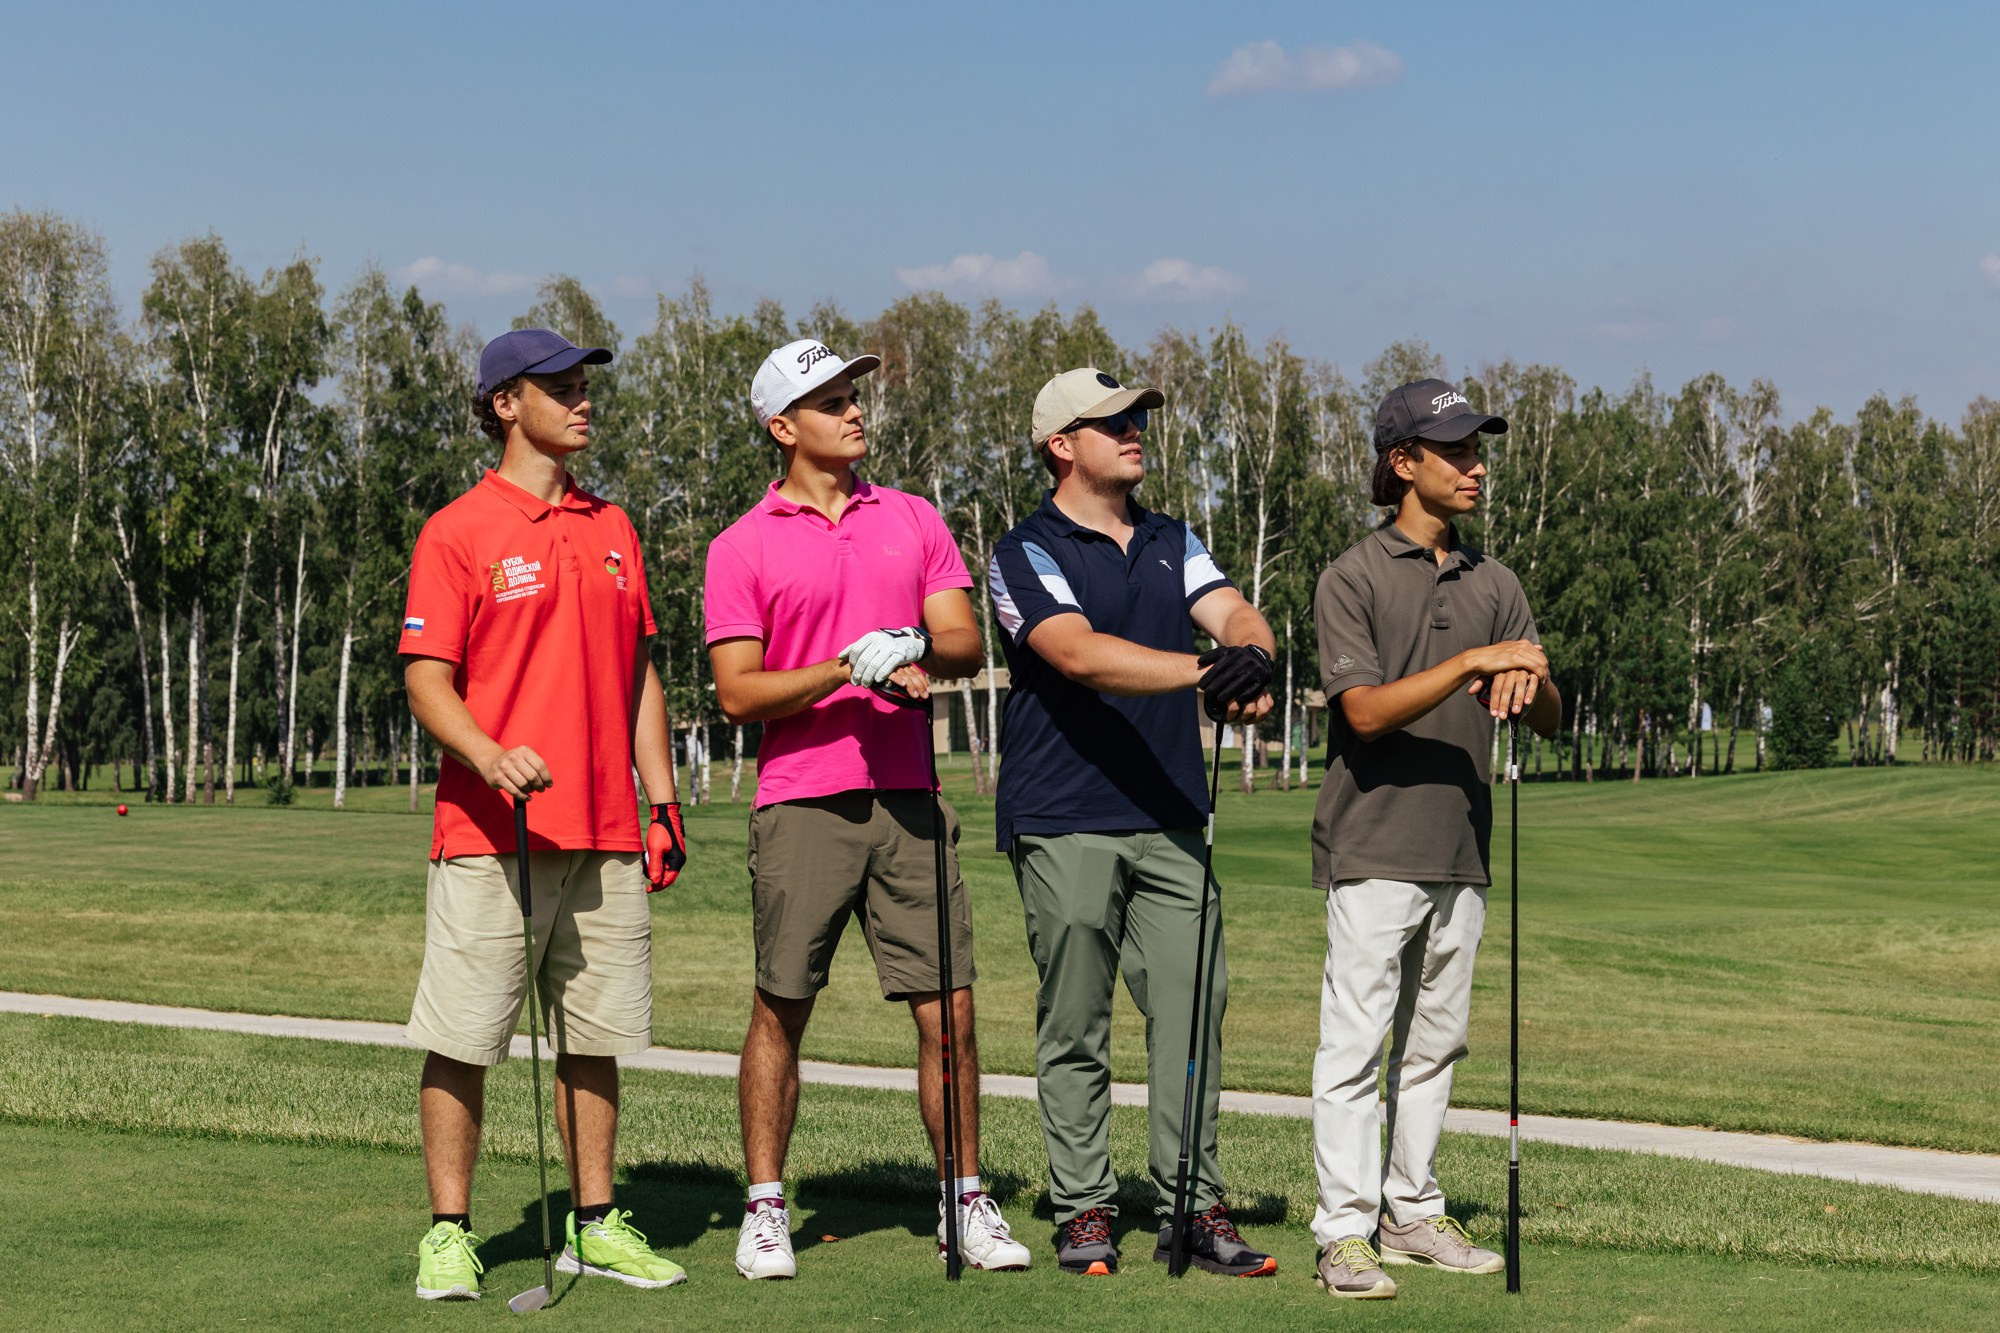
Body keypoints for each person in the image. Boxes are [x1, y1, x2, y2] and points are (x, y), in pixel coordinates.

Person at [704, 339, 1032, 1280]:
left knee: (952, 1012)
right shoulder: (742, 544)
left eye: (853, 395)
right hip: (802, 801)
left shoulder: (915, 518)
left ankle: (963, 1197)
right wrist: (850, 665)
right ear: (782, 428)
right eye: (829, 399)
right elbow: (737, 691)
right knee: (781, 1007)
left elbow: (964, 639)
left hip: (910, 801)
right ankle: (766, 1205)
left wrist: (916, 640)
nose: (853, 411)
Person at [399, 329, 690, 1301]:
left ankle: (594, 1225)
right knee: (467, 1036)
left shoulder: (615, 527)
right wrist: (485, 753)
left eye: (583, 384)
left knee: (595, 1035)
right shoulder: (457, 529)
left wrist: (662, 798)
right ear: (502, 405)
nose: (581, 400)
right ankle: (449, 1231)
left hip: (609, 829)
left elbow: (641, 671)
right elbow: (426, 679)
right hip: (490, 835)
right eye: (557, 386)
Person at [987, 367, 1280, 1278]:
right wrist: (1206, 672)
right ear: (1060, 445)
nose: (1133, 430)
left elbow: (1232, 609)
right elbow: (1076, 654)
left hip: (1171, 814)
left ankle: (1193, 1202)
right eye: (1111, 421)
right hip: (1064, 815)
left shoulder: (1171, 537)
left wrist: (1255, 653)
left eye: (1137, 418)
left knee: (1194, 1011)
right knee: (1076, 1021)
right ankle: (1083, 1209)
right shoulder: (1021, 550)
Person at [1307, 378, 1560, 1300]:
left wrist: (1530, 676)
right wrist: (1470, 663)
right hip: (1372, 845)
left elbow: (1548, 712)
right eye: (1454, 450)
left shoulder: (1497, 581)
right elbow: (1365, 711)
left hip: (1463, 848)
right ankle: (1343, 1229)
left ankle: (1410, 1208)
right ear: (1402, 463)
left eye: (1477, 447)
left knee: (1436, 1043)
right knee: (1354, 1048)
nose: (1475, 463)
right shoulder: (1353, 575)